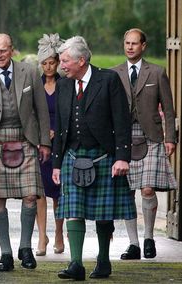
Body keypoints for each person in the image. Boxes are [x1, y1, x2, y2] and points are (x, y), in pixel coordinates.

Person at [52, 36, 137, 280]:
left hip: (103, 155)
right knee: (73, 210)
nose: (61, 65)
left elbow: (122, 120)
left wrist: (122, 157)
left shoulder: (108, 80)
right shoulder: (64, 85)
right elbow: (60, 127)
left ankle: (103, 260)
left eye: (65, 61)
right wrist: (57, 163)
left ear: (81, 60)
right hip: (72, 155)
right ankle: (75, 264)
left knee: (103, 212)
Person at [0, 33, 51, 272]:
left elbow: (41, 111)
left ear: (12, 50)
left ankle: (25, 247)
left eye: (4, 50)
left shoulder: (30, 72)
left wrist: (44, 142)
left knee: (31, 196)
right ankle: (5, 253)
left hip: (26, 139)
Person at [113, 28, 177, 260]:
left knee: (147, 188)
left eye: (134, 43)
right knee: (127, 191)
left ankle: (149, 238)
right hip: (123, 138)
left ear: (144, 46)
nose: (130, 47)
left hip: (151, 136)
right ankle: (133, 245)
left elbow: (168, 109)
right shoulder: (114, 73)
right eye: (126, 43)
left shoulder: (157, 72)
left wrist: (170, 138)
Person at [35, 33, 65, 256]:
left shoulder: (66, 85)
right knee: (39, 192)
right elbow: (30, 114)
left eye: (51, 62)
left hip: (61, 144)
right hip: (40, 145)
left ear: (58, 62)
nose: (48, 67)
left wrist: (58, 133)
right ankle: (42, 236)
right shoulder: (35, 85)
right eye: (44, 63)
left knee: (58, 192)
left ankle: (58, 233)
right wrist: (39, 136)